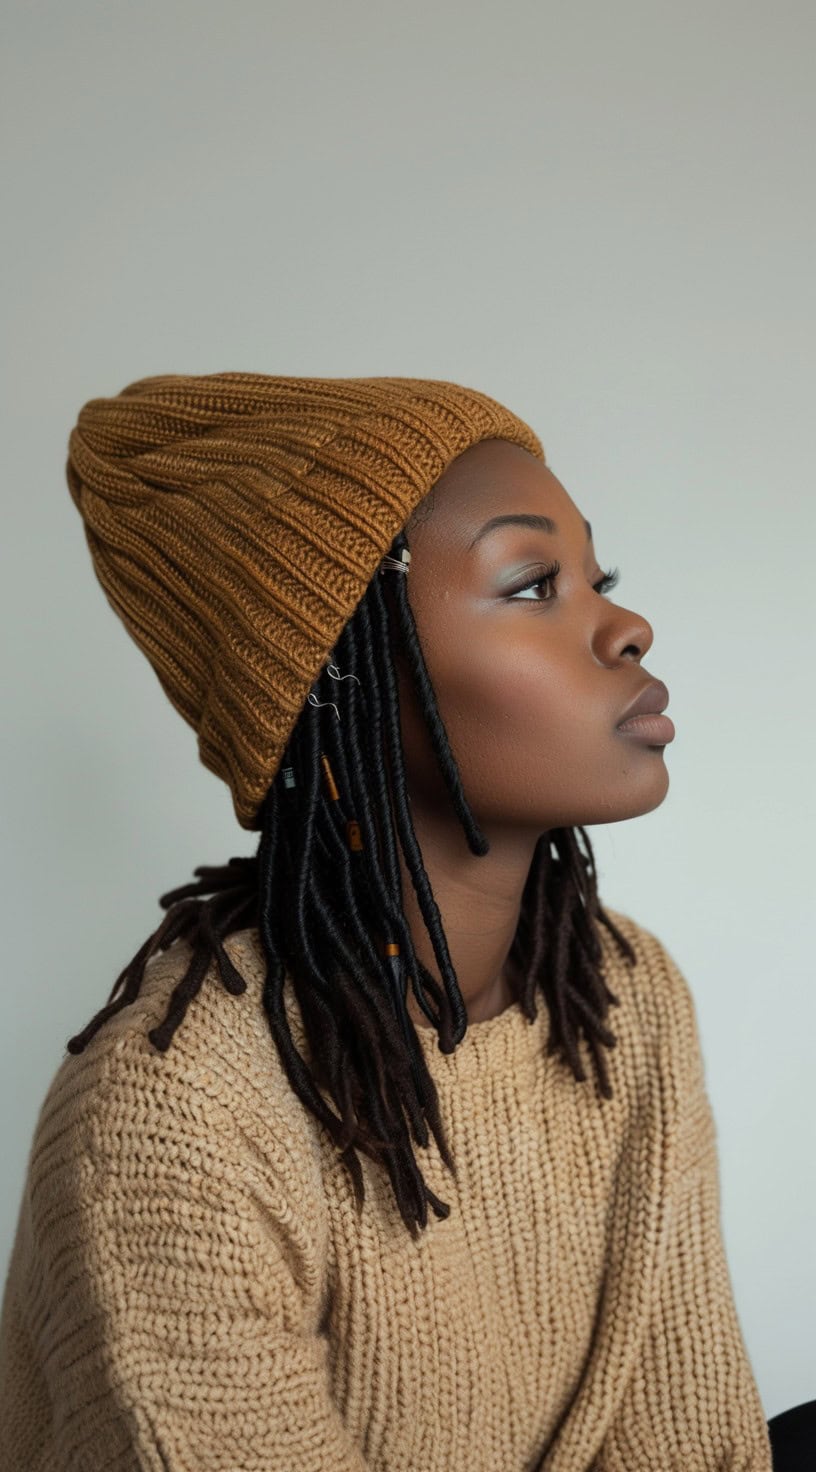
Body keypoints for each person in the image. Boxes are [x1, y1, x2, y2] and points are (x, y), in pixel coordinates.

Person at [0, 372, 804, 1469]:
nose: (626, 625)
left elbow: (690, 1436)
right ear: (342, 678)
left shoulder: (622, 990)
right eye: (532, 585)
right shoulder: (170, 1120)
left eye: (598, 576)